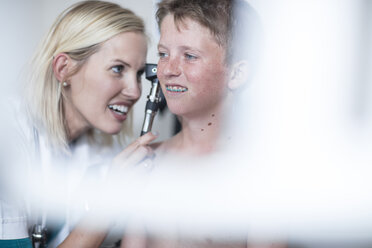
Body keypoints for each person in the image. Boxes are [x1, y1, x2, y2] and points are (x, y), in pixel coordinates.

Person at [0, 1, 157, 247]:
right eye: (117, 69)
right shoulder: (7, 138)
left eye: (138, 73)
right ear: (64, 69)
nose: (135, 91)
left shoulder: (108, 154)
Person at [118, 0, 268, 247]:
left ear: (237, 74)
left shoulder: (259, 169)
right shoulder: (147, 162)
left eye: (189, 56)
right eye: (163, 54)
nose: (167, 70)